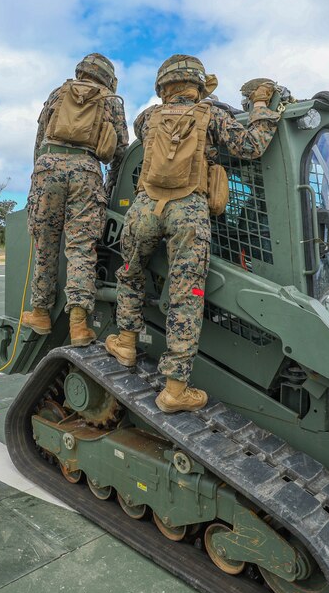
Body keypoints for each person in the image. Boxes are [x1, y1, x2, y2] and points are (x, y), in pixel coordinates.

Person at [104, 56, 281, 412]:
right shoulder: (211, 115)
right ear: (198, 86)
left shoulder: (147, 118)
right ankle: (174, 389)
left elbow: (153, 135)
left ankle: (125, 342)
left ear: (163, 87)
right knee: (189, 295)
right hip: (188, 209)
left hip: (144, 208)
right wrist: (260, 105)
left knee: (131, 272)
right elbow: (251, 146)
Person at [20, 54, 129, 346]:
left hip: (48, 170)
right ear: (108, 77)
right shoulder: (112, 101)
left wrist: (39, 176)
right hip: (87, 172)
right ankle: (79, 325)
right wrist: (110, 184)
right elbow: (120, 151)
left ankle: (40, 312)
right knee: (81, 248)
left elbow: (40, 139)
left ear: (81, 71)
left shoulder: (58, 93)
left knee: (45, 243)